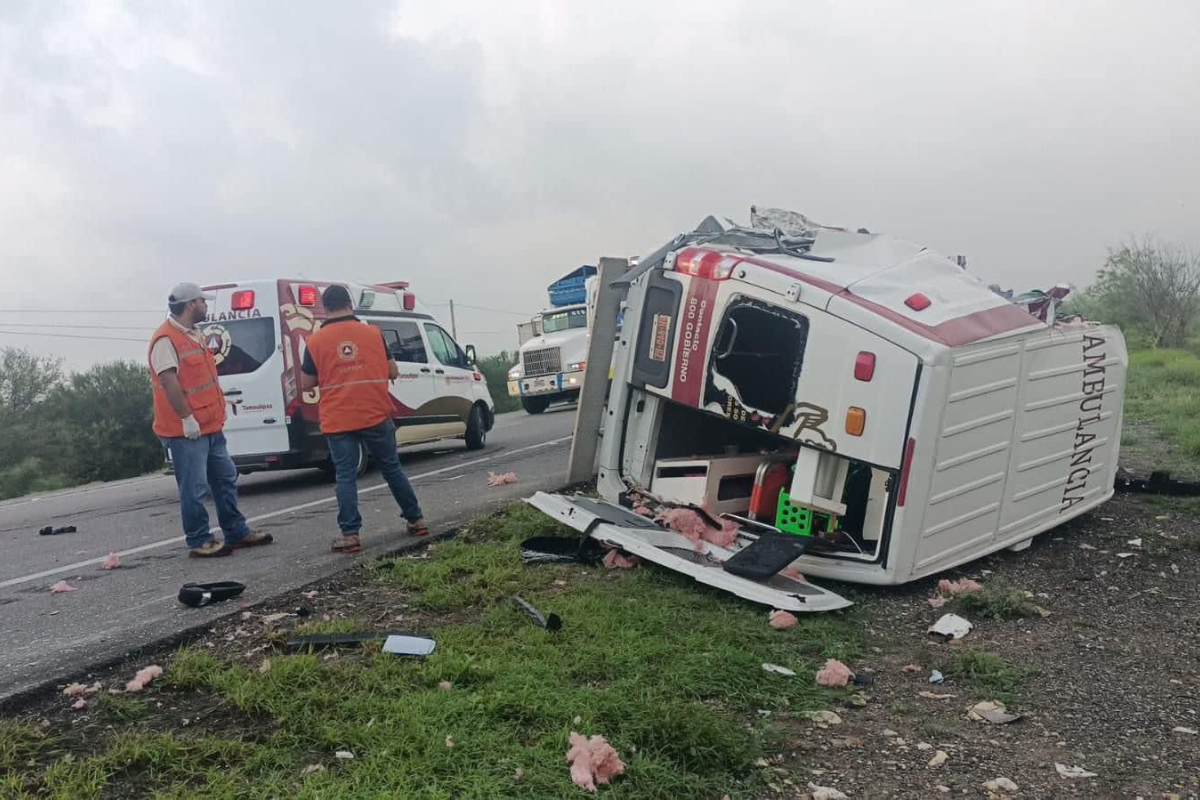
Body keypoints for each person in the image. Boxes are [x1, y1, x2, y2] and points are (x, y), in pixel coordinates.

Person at [300, 284, 429, 553]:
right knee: (392, 469)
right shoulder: (373, 333)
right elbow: (392, 371)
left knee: (345, 476)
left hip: (338, 419)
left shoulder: (314, 341)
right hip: (375, 413)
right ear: (349, 303)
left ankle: (350, 535)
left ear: (325, 308)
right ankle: (416, 519)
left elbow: (306, 383)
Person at [149, 283, 274, 557]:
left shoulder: (196, 334)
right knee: (194, 488)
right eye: (203, 302)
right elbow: (168, 381)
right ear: (190, 304)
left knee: (225, 478)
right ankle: (199, 540)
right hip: (187, 430)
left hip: (211, 426)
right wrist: (187, 418)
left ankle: (236, 531)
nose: (207, 306)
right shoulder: (165, 340)